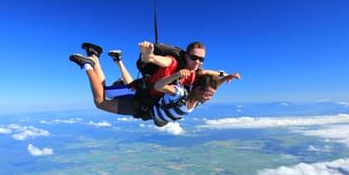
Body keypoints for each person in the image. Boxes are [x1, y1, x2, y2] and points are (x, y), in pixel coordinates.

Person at [69, 42, 240, 125]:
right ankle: (88, 64)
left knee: (103, 95)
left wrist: (225, 77)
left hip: (145, 104)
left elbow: (208, 81)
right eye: (194, 57)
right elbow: (159, 62)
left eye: (201, 59)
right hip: (140, 94)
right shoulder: (173, 63)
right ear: (186, 55)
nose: (197, 61)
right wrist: (148, 55)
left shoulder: (195, 76)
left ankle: (94, 56)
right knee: (101, 99)